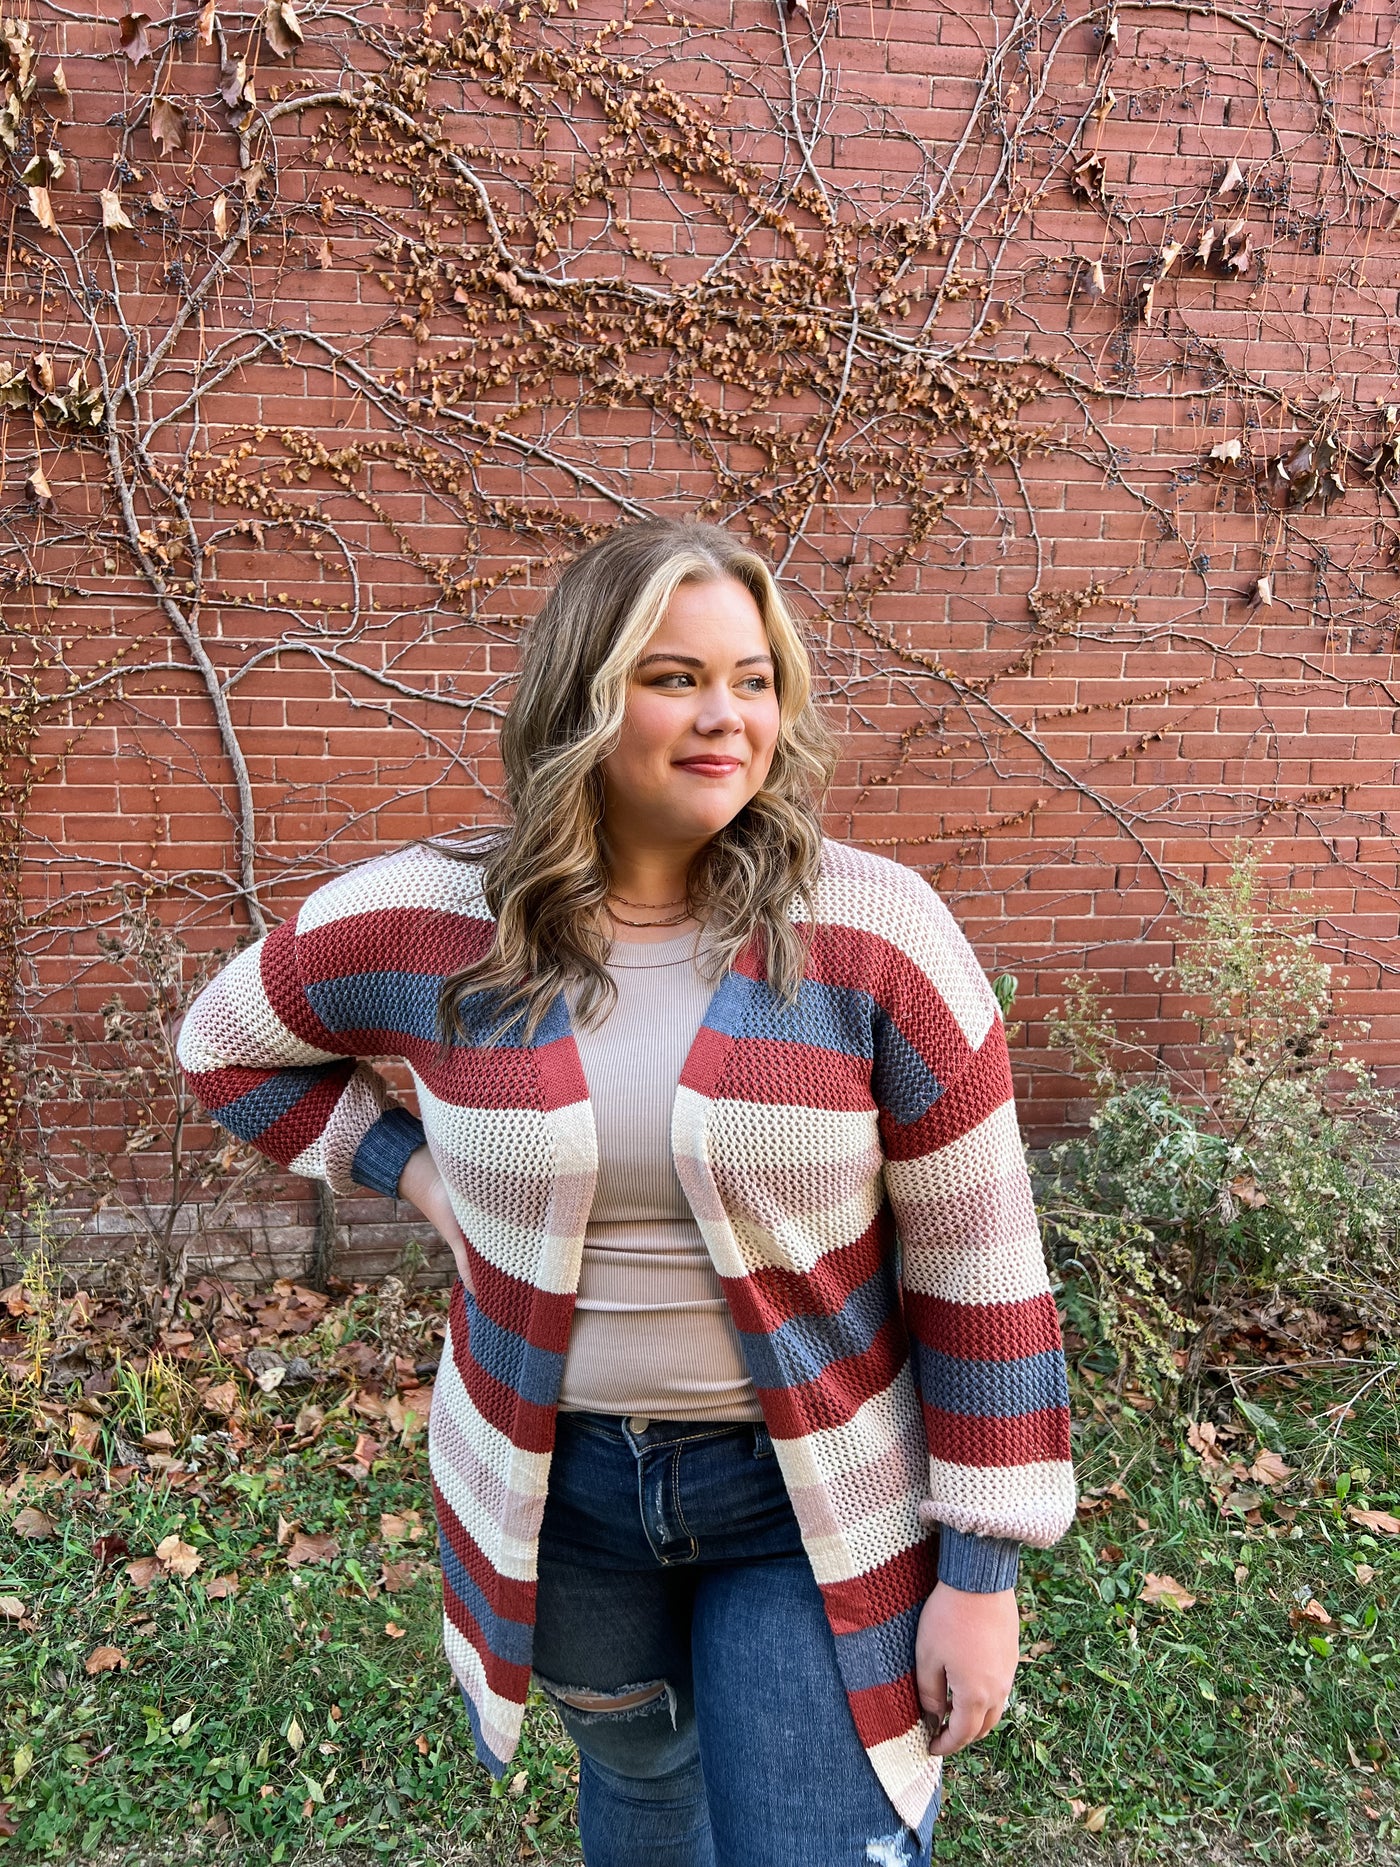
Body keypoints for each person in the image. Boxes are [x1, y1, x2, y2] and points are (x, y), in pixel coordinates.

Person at [176, 518, 1076, 1867]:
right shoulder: (434, 927)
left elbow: (982, 1264)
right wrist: (411, 1176)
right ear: (582, 694)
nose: (728, 716)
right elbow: (225, 1045)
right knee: (646, 1794)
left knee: (819, 1847)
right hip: (568, 1496)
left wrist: (983, 1573)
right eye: (675, 677)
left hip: (810, 1499)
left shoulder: (873, 937)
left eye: (755, 679)